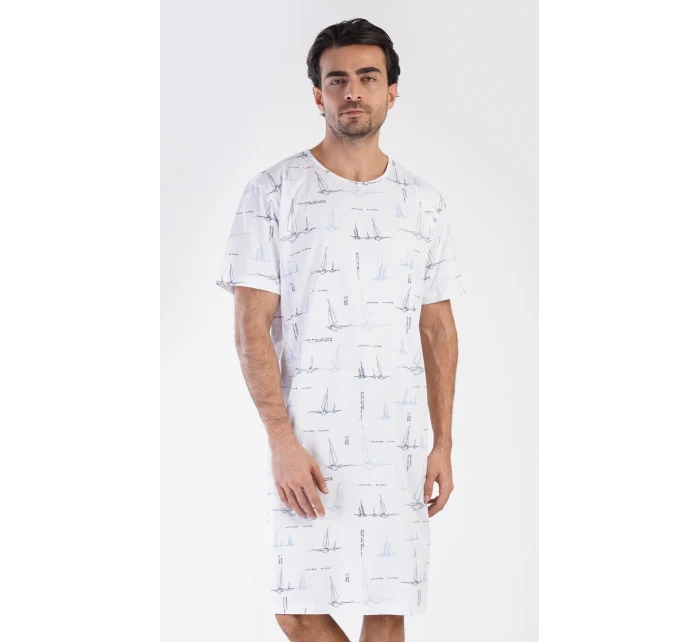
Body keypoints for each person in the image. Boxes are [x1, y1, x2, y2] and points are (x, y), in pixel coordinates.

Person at [216, 17, 466, 642]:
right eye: (337, 80)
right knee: (296, 609)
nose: (352, 90)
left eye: (367, 77)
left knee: (386, 609)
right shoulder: (273, 191)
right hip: (309, 443)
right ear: (317, 94)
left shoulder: (423, 203)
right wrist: (281, 440)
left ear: (392, 91)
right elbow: (250, 327)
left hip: (398, 444)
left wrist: (443, 443)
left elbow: (438, 329)